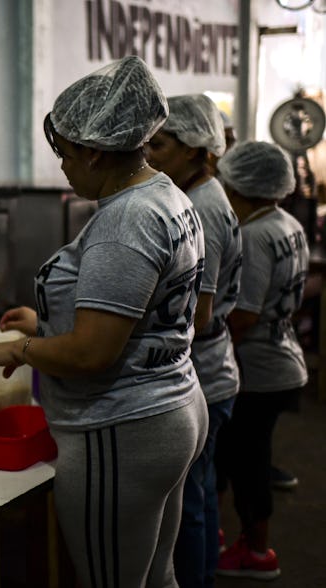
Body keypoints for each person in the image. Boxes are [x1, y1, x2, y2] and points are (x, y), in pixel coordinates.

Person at [0, 56, 208, 588]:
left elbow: (92, 353)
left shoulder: (125, 220)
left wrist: (21, 351)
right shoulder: (166, 195)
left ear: (96, 151)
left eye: (67, 154)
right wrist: (45, 322)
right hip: (170, 405)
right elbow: (142, 310)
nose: (64, 167)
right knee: (155, 574)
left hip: (120, 432)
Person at [145, 94, 243, 588]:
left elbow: (197, 318)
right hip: (216, 370)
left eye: (159, 144)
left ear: (192, 149)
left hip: (204, 373)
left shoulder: (200, 206)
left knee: (191, 506)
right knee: (201, 496)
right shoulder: (210, 194)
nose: (148, 154)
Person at [214, 141, 309, 580]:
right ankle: (246, 543)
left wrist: (200, 325)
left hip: (259, 370)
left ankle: (257, 553)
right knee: (248, 458)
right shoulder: (287, 223)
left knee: (246, 466)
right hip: (285, 358)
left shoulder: (252, 236)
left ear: (241, 188)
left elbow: (245, 315)